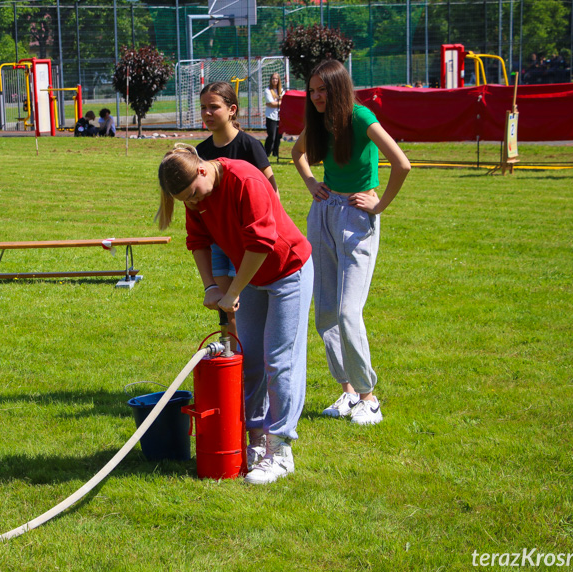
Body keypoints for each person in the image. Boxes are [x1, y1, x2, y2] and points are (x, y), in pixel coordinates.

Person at [157, 145, 313, 485]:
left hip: (289, 271)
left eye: (193, 195)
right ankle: (256, 443)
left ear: (201, 170)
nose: (193, 204)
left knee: (279, 359)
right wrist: (210, 287)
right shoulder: (195, 196)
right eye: (185, 200)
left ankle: (281, 449)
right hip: (254, 278)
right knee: (251, 360)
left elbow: (261, 243)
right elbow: (198, 240)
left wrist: (234, 291)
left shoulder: (245, 179)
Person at [292, 59, 411, 426]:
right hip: (324, 213)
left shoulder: (361, 117)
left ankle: (368, 398)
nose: (315, 97)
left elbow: (401, 163)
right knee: (325, 313)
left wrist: (379, 205)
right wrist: (311, 183)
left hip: (358, 217)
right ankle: (347, 392)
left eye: (322, 89)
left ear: (338, 87)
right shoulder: (320, 120)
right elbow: (297, 153)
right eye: (311, 91)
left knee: (347, 313)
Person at [196, 81, 278, 406]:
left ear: (232, 109)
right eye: (203, 107)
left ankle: (253, 373)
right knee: (227, 309)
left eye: (213, 107)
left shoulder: (249, 146)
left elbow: (272, 193)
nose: (206, 113)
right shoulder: (201, 152)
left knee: (251, 313)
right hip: (218, 244)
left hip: (247, 244)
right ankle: (234, 369)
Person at [264, 72, 284, 158]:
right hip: (270, 116)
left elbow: (284, 102)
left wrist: (277, 102)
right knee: (271, 135)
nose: (275, 80)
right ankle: (266, 152)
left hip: (280, 116)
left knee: (278, 136)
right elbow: (271, 103)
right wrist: (280, 102)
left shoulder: (282, 90)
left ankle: (276, 153)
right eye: (273, 78)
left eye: (276, 78)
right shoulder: (268, 90)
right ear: (271, 80)